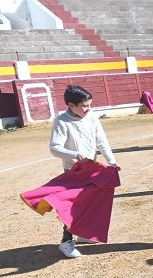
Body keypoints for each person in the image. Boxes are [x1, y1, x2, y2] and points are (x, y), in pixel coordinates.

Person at [49, 84, 118, 258]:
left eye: (89, 105)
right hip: (73, 171)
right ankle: (66, 241)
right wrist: (74, 154)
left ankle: (84, 233)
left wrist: (112, 162)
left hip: (92, 168)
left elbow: (102, 140)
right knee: (73, 207)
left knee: (89, 203)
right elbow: (54, 148)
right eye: (84, 106)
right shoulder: (62, 121)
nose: (88, 109)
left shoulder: (92, 117)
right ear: (71, 105)